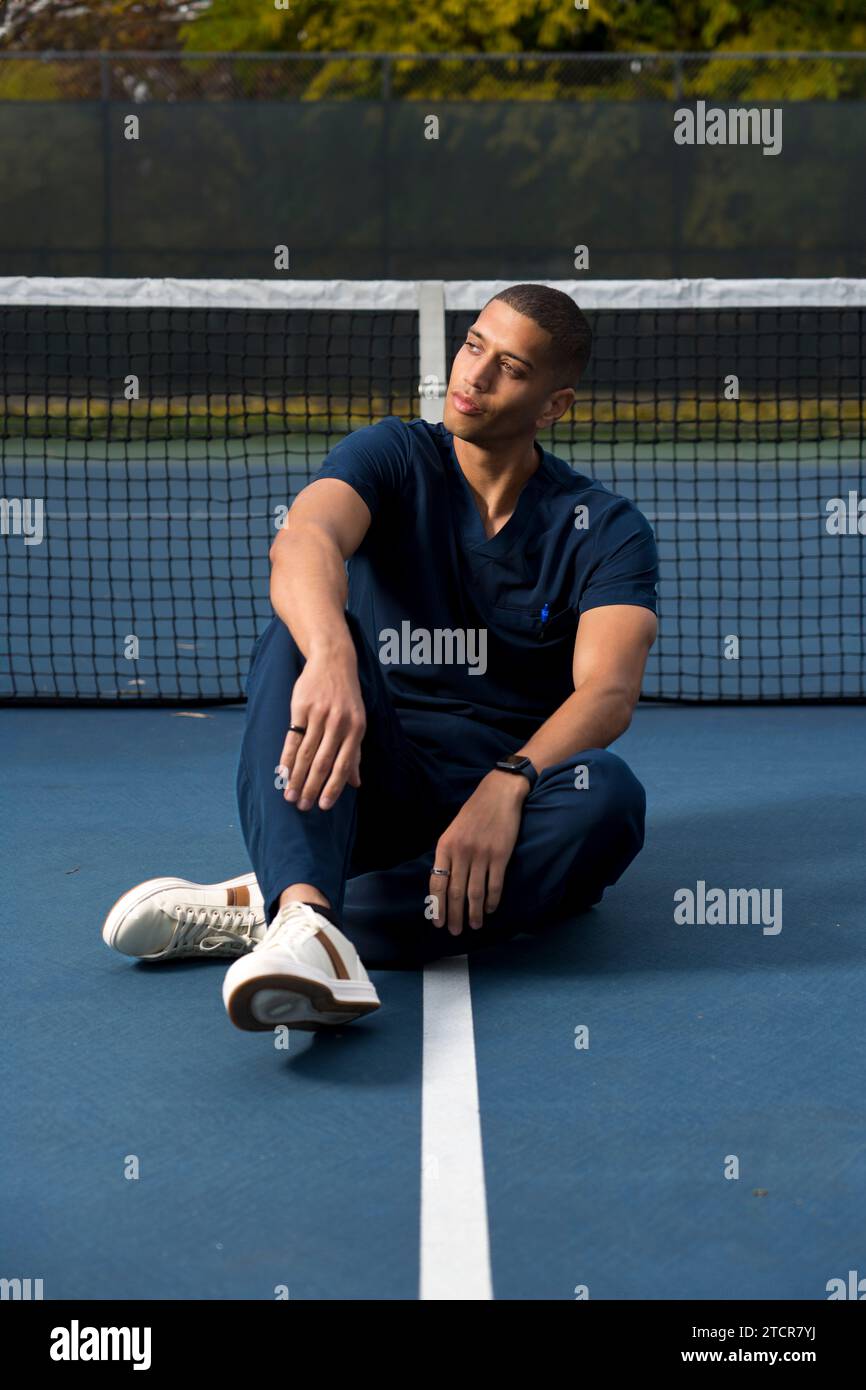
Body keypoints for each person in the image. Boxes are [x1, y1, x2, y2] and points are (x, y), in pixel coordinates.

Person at [102, 284, 658, 1034]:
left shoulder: (604, 526)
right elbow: (305, 539)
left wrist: (511, 781)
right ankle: (304, 912)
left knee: (610, 801)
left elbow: (608, 691)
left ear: (553, 405)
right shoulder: (394, 453)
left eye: (511, 367)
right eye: (474, 346)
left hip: (498, 814)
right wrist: (333, 656)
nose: (475, 376)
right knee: (295, 637)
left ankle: (294, 910)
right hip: (364, 779)